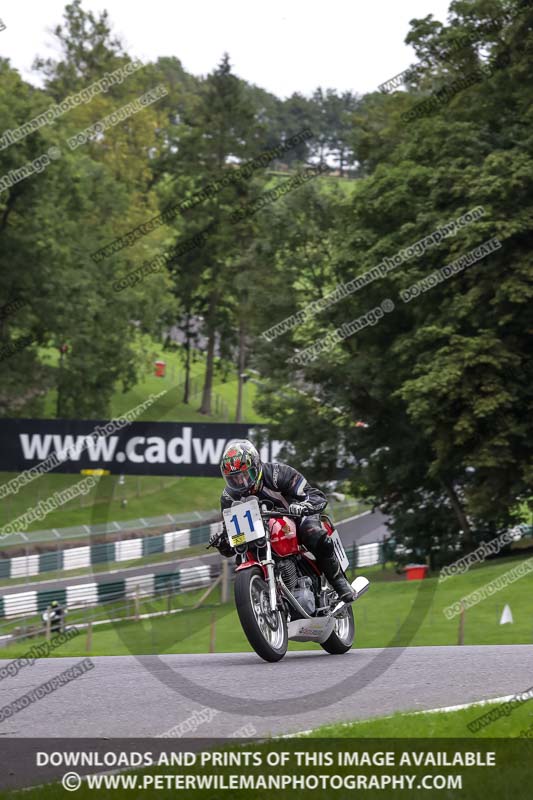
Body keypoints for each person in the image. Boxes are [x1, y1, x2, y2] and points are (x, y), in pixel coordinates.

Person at [209, 439, 354, 602]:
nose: (240, 482)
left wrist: (303, 506)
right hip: (260, 531)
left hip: (296, 517)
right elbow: (234, 537)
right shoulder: (229, 497)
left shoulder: (278, 474)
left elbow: (315, 495)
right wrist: (223, 542)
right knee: (244, 555)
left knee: (312, 532)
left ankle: (339, 582)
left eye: (244, 475)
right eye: (234, 479)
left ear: (256, 466)